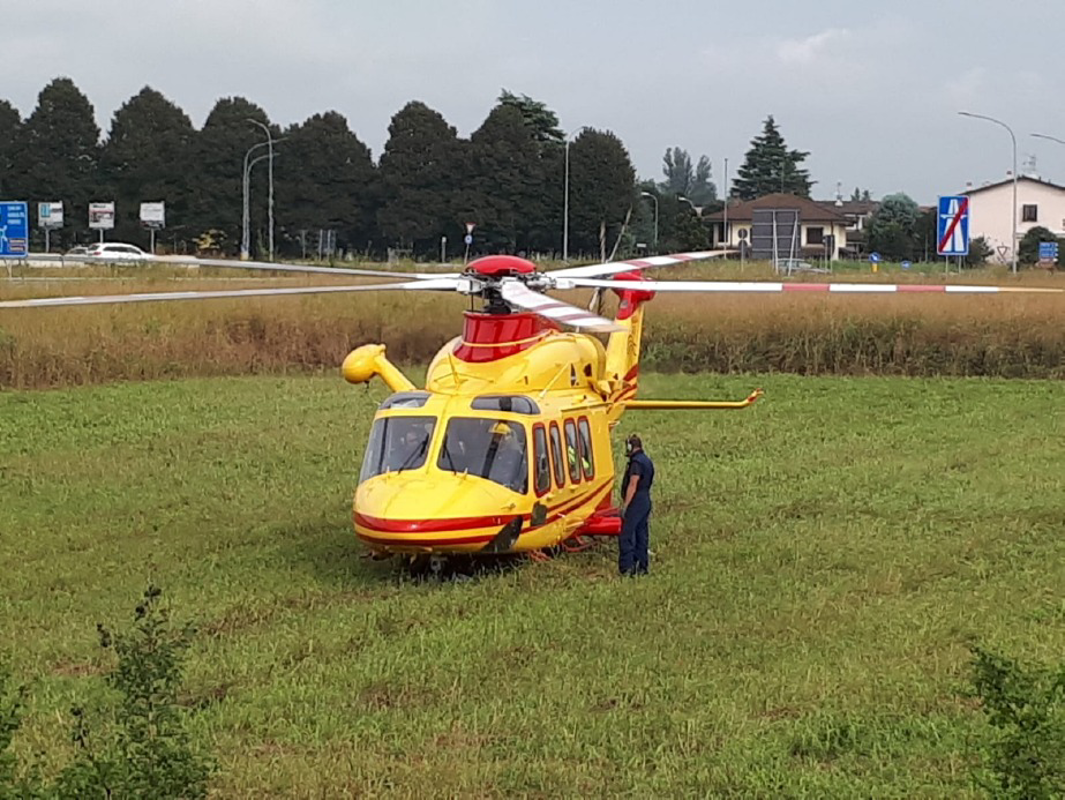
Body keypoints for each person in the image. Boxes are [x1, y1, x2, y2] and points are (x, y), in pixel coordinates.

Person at [618, 434, 655, 576]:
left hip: (637, 501)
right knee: (641, 534)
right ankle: (642, 567)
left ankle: (627, 568)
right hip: (645, 499)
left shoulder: (636, 463)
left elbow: (633, 484)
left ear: (630, 446)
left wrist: (626, 506)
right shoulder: (646, 460)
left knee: (627, 534)